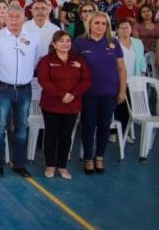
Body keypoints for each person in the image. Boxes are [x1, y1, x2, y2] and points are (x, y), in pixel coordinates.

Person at [0, 4, 41, 178]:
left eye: (18, 16)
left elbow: (36, 59)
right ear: (5, 18)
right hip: (3, 88)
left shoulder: (32, 37)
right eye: (11, 16)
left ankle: (19, 164)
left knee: (22, 127)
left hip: (25, 89)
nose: (15, 19)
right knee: (0, 126)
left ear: (24, 18)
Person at [72, 12, 127, 174]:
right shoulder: (80, 42)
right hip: (88, 93)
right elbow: (73, 66)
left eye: (104, 23)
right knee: (88, 126)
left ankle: (99, 157)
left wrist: (122, 90)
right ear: (90, 24)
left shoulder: (113, 43)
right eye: (97, 23)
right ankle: (88, 158)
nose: (100, 26)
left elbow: (121, 69)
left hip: (109, 93)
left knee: (104, 126)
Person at [36, 31, 90, 179]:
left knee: (66, 136)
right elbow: (44, 81)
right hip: (51, 104)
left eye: (67, 41)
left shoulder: (79, 60)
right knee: (51, 135)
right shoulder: (46, 61)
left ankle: (62, 166)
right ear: (54, 44)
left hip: (72, 105)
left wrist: (73, 94)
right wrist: (62, 94)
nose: (65, 44)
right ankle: (50, 165)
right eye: (61, 41)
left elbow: (86, 80)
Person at [115, 18, 145, 144]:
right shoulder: (113, 43)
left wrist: (142, 75)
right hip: (117, 80)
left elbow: (142, 60)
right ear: (117, 30)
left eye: (127, 27)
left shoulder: (137, 42)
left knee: (129, 108)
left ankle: (123, 132)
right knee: (118, 106)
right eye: (122, 27)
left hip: (134, 80)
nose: (125, 30)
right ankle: (113, 132)